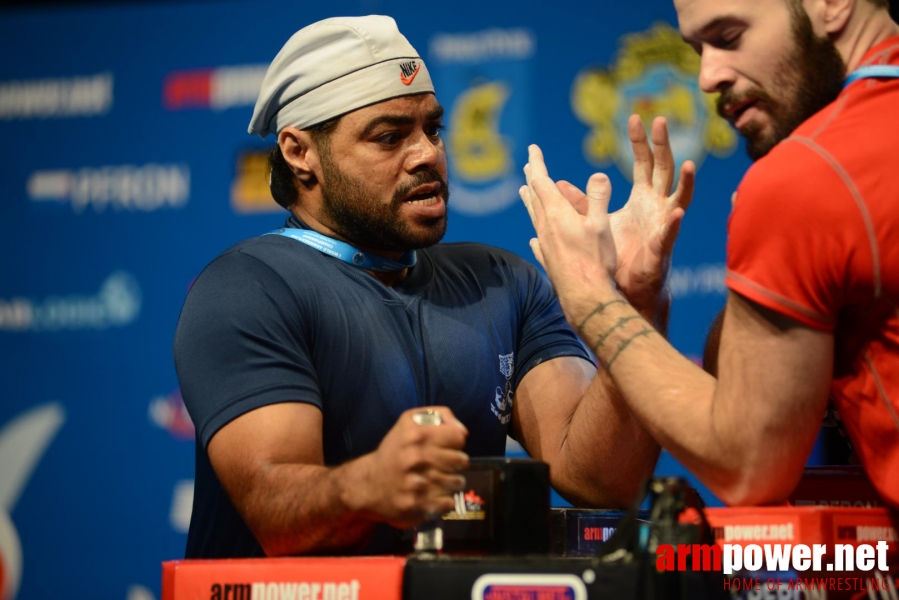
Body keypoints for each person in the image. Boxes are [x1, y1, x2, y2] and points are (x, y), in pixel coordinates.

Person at [173, 15, 694, 557]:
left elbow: (600, 481)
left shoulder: (500, 281)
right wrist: (369, 485)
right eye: (389, 136)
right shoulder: (249, 287)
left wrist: (636, 304)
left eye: (432, 129)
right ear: (300, 153)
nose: (427, 154)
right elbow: (275, 514)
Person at [521, 0, 899, 508]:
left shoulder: (809, 173)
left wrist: (592, 298)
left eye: (728, 36)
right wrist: (642, 301)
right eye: (698, 48)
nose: (707, 77)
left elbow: (748, 464)